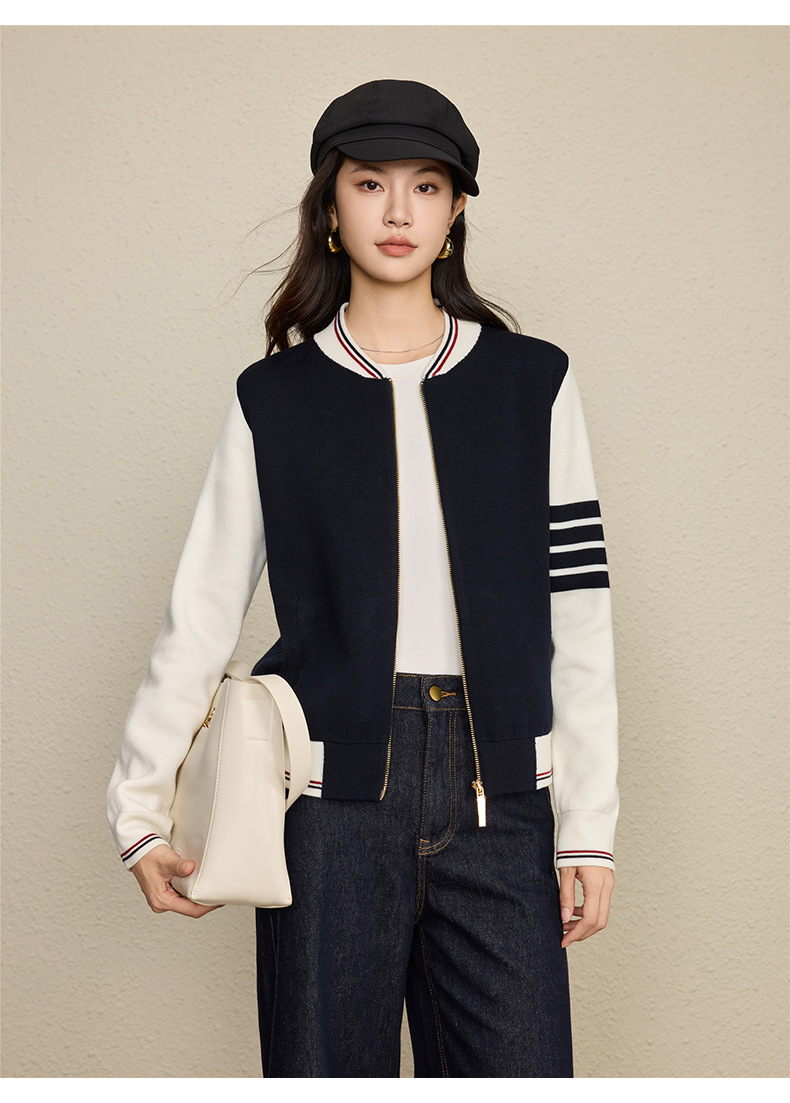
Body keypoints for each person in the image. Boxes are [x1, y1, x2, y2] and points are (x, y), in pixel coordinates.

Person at [107, 79, 618, 1078]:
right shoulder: (275, 399)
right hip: (327, 798)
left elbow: (580, 615)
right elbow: (201, 613)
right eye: (370, 183)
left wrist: (587, 831)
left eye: (425, 186)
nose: (397, 211)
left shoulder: (534, 385)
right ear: (330, 210)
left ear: (455, 211)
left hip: (502, 796)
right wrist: (139, 808)